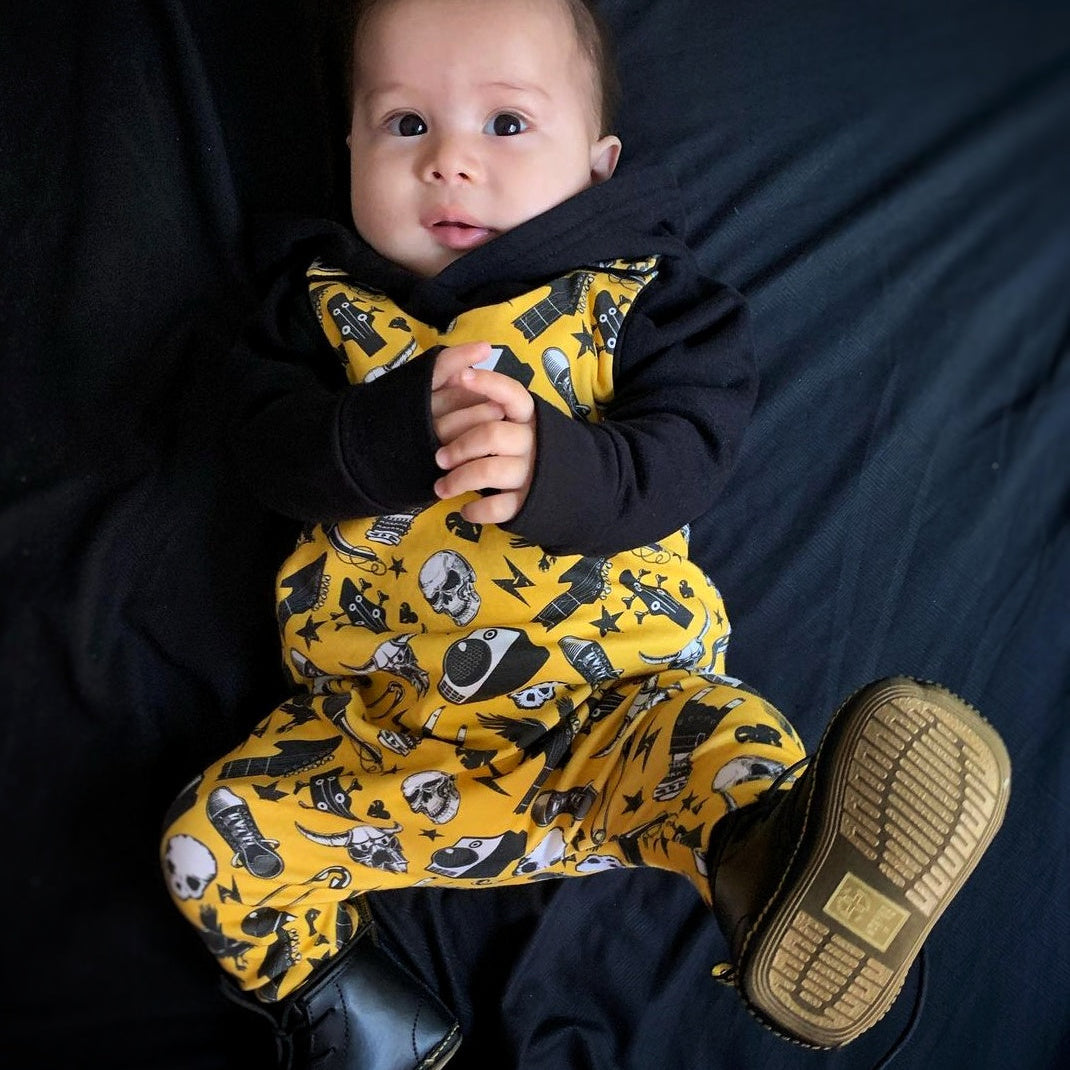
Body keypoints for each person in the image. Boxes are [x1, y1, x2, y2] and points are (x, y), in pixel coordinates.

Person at [160, 1, 1011, 1067]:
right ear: (349, 149)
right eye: (405, 124)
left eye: (506, 124)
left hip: (611, 716)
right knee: (206, 841)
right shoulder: (316, 308)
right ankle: (352, 1012)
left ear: (598, 165)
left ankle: (771, 867)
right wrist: (385, 435)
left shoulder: (634, 296)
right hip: (372, 743)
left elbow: (691, 449)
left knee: (725, 740)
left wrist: (559, 471)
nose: (449, 163)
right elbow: (261, 449)